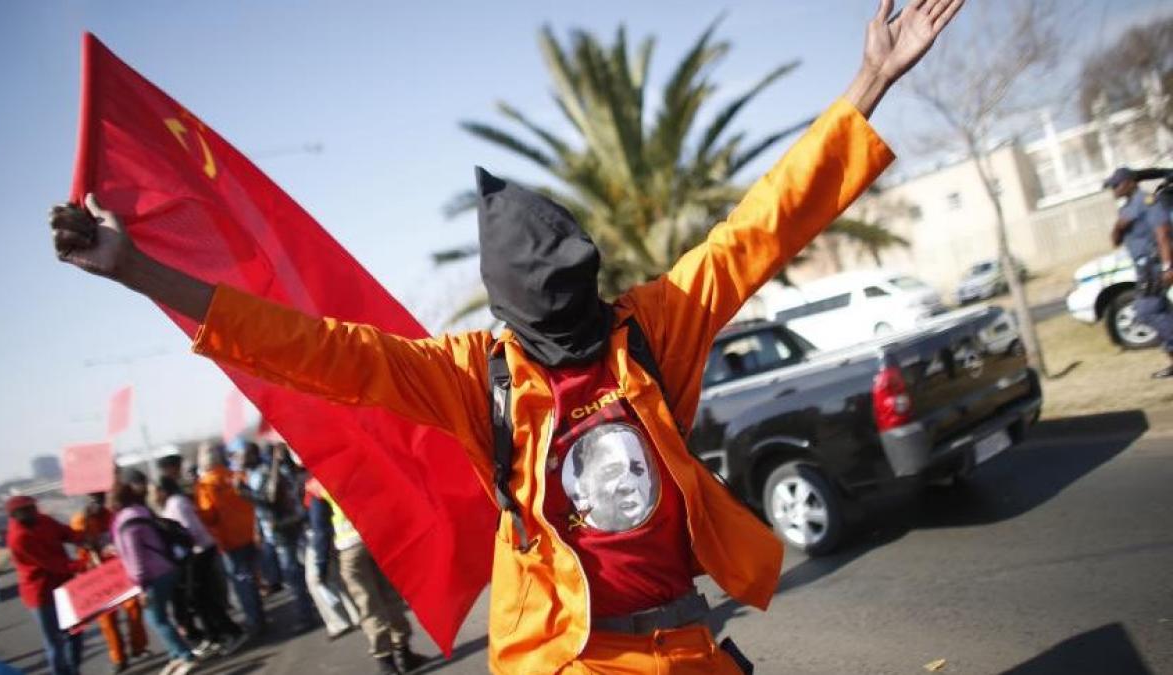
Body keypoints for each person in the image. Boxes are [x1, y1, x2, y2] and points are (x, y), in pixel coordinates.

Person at [49, 2, 961, 670]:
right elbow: (307, 345)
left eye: (582, 299)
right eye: (554, 311)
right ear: (508, 316)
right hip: (560, 658)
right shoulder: (470, 374)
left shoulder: (650, 325)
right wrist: (136, 269)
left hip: (686, 647)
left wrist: (872, 79)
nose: (577, 325)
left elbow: (765, 225)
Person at [324, 490, 423, 675]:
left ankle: (386, 662)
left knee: (368, 605)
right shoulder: (361, 463)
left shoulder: (317, 482)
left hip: (349, 549)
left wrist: (323, 562)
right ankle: (404, 652)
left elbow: (320, 525)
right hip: (375, 537)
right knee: (391, 597)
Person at [109, 476, 198, 675]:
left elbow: (136, 557)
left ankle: (185, 656)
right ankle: (176, 654)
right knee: (161, 617)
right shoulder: (141, 513)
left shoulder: (127, 523)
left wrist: (141, 586)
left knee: (156, 619)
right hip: (166, 567)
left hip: (152, 576)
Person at [154, 476, 248, 656]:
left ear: (163, 491)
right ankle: (215, 635)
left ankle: (231, 632)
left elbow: (191, 530)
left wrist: (183, 545)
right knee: (200, 598)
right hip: (197, 552)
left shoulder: (176, 504)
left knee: (204, 597)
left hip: (200, 551)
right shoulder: (173, 504)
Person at [70, 492, 149, 673]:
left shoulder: (114, 515)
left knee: (134, 609)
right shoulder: (80, 521)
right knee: (107, 620)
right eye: (93, 499)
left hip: (121, 572)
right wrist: (86, 541)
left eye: (100, 499)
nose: (97, 503)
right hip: (98, 578)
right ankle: (118, 657)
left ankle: (138, 647)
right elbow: (80, 551)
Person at [239, 441, 315, 629]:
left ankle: (306, 615)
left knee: (293, 572)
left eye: (243, 455)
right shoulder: (252, 475)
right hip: (273, 531)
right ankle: (306, 610)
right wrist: (257, 529)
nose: (240, 460)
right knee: (291, 572)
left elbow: (269, 498)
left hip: (283, 528)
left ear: (253, 455)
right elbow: (259, 509)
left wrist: (245, 493)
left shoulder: (265, 473)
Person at [1106, 166, 1173, 377]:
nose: (1114, 189)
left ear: (1130, 183)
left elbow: (1163, 235)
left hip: (1154, 266)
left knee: (1147, 311)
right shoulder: (1125, 209)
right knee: (1159, 311)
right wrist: (1118, 225)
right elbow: (1115, 241)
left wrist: (1167, 266)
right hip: (1143, 269)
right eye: (1112, 186)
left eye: (1117, 185)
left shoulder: (1147, 202)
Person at [4, 495, 83, 675]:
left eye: (32, 507)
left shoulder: (44, 520)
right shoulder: (19, 537)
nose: (32, 512)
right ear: (14, 515)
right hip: (40, 594)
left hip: (64, 585)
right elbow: (51, 564)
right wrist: (82, 565)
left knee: (75, 631)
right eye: (26, 510)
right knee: (55, 641)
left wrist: (83, 537)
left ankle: (74, 669)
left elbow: (65, 533)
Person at [193, 443, 265, 634]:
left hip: (229, 539)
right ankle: (258, 615)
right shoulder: (234, 475)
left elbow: (209, 516)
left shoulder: (205, 485)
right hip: (250, 531)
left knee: (242, 581)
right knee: (252, 577)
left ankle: (255, 620)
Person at [302, 477, 359, 641]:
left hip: (337, 536)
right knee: (337, 576)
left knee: (318, 579)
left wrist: (320, 562)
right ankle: (354, 614)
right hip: (343, 535)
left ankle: (340, 622)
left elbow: (319, 526)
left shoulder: (312, 484)